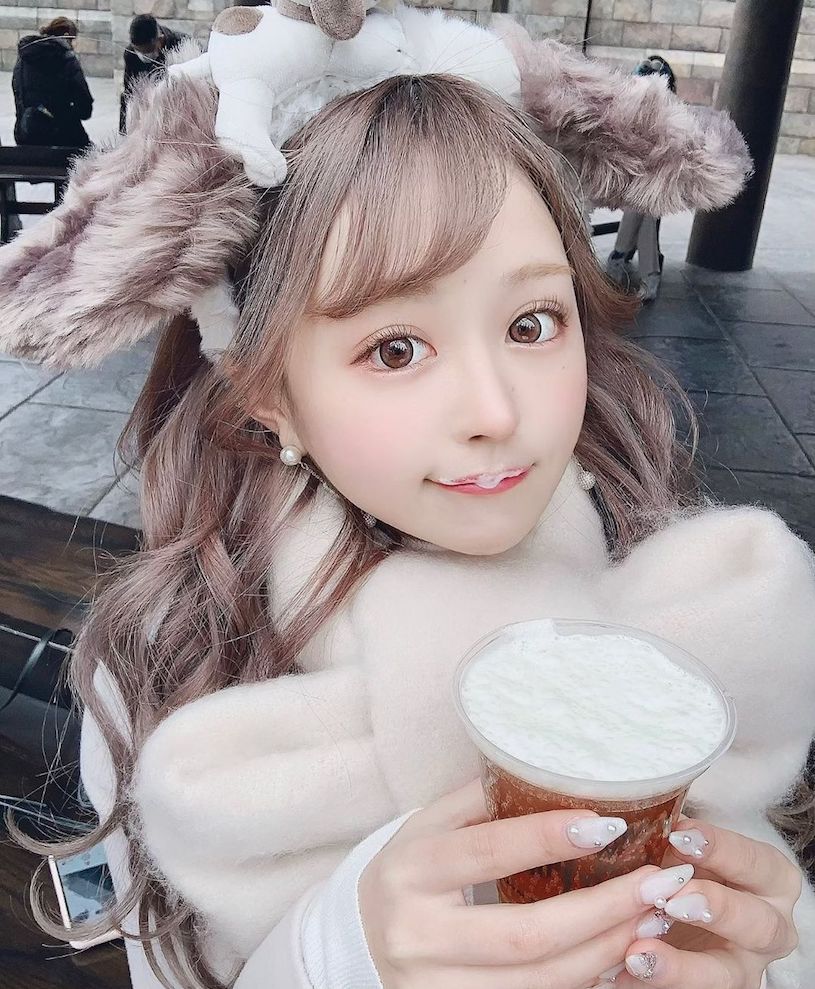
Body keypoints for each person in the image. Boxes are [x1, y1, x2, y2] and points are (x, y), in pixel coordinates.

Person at [2, 24, 811, 989]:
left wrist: (760, 961)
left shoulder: (664, 562)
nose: (495, 412)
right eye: (395, 348)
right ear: (267, 392)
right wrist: (338, 953)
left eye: (531, 323)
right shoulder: (171, 658)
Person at [606, 56, 678, 303]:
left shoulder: (670, 111)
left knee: (644, 205)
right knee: (644, 209)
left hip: (657, 177)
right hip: (631, 175)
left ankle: (619, 256)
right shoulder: (630, 105)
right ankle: (648, 273)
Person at [12, 17, 93, 149]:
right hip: (62, 134)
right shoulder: (66, 57)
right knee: (90, 155)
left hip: (25, 133)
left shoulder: (23, 58)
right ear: (67, 35)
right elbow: (84, 105)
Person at [120, 14, 187, 133]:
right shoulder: (131, 54)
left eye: (147, 51)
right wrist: (124, 131)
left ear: (160, 40)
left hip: (179, 113)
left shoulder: (182, 46)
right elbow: (129, 93)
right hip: (149, 117)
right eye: (138, 50)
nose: (143, 56)